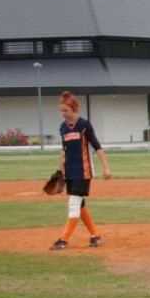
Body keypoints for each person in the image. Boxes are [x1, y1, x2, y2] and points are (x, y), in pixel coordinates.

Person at [49, 90, 111, 250]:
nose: (63, 114)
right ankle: (96, 235)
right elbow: (64, 151)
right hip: (70, 171)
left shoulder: (84, 125)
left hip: (83, 171)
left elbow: (97, 146)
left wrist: (106, 167)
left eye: (66, 110)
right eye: (61, 110)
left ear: (74, 109)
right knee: (80, 204)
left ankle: (64, 239)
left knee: (74, 203)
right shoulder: (63, 127)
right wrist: (59, 170)